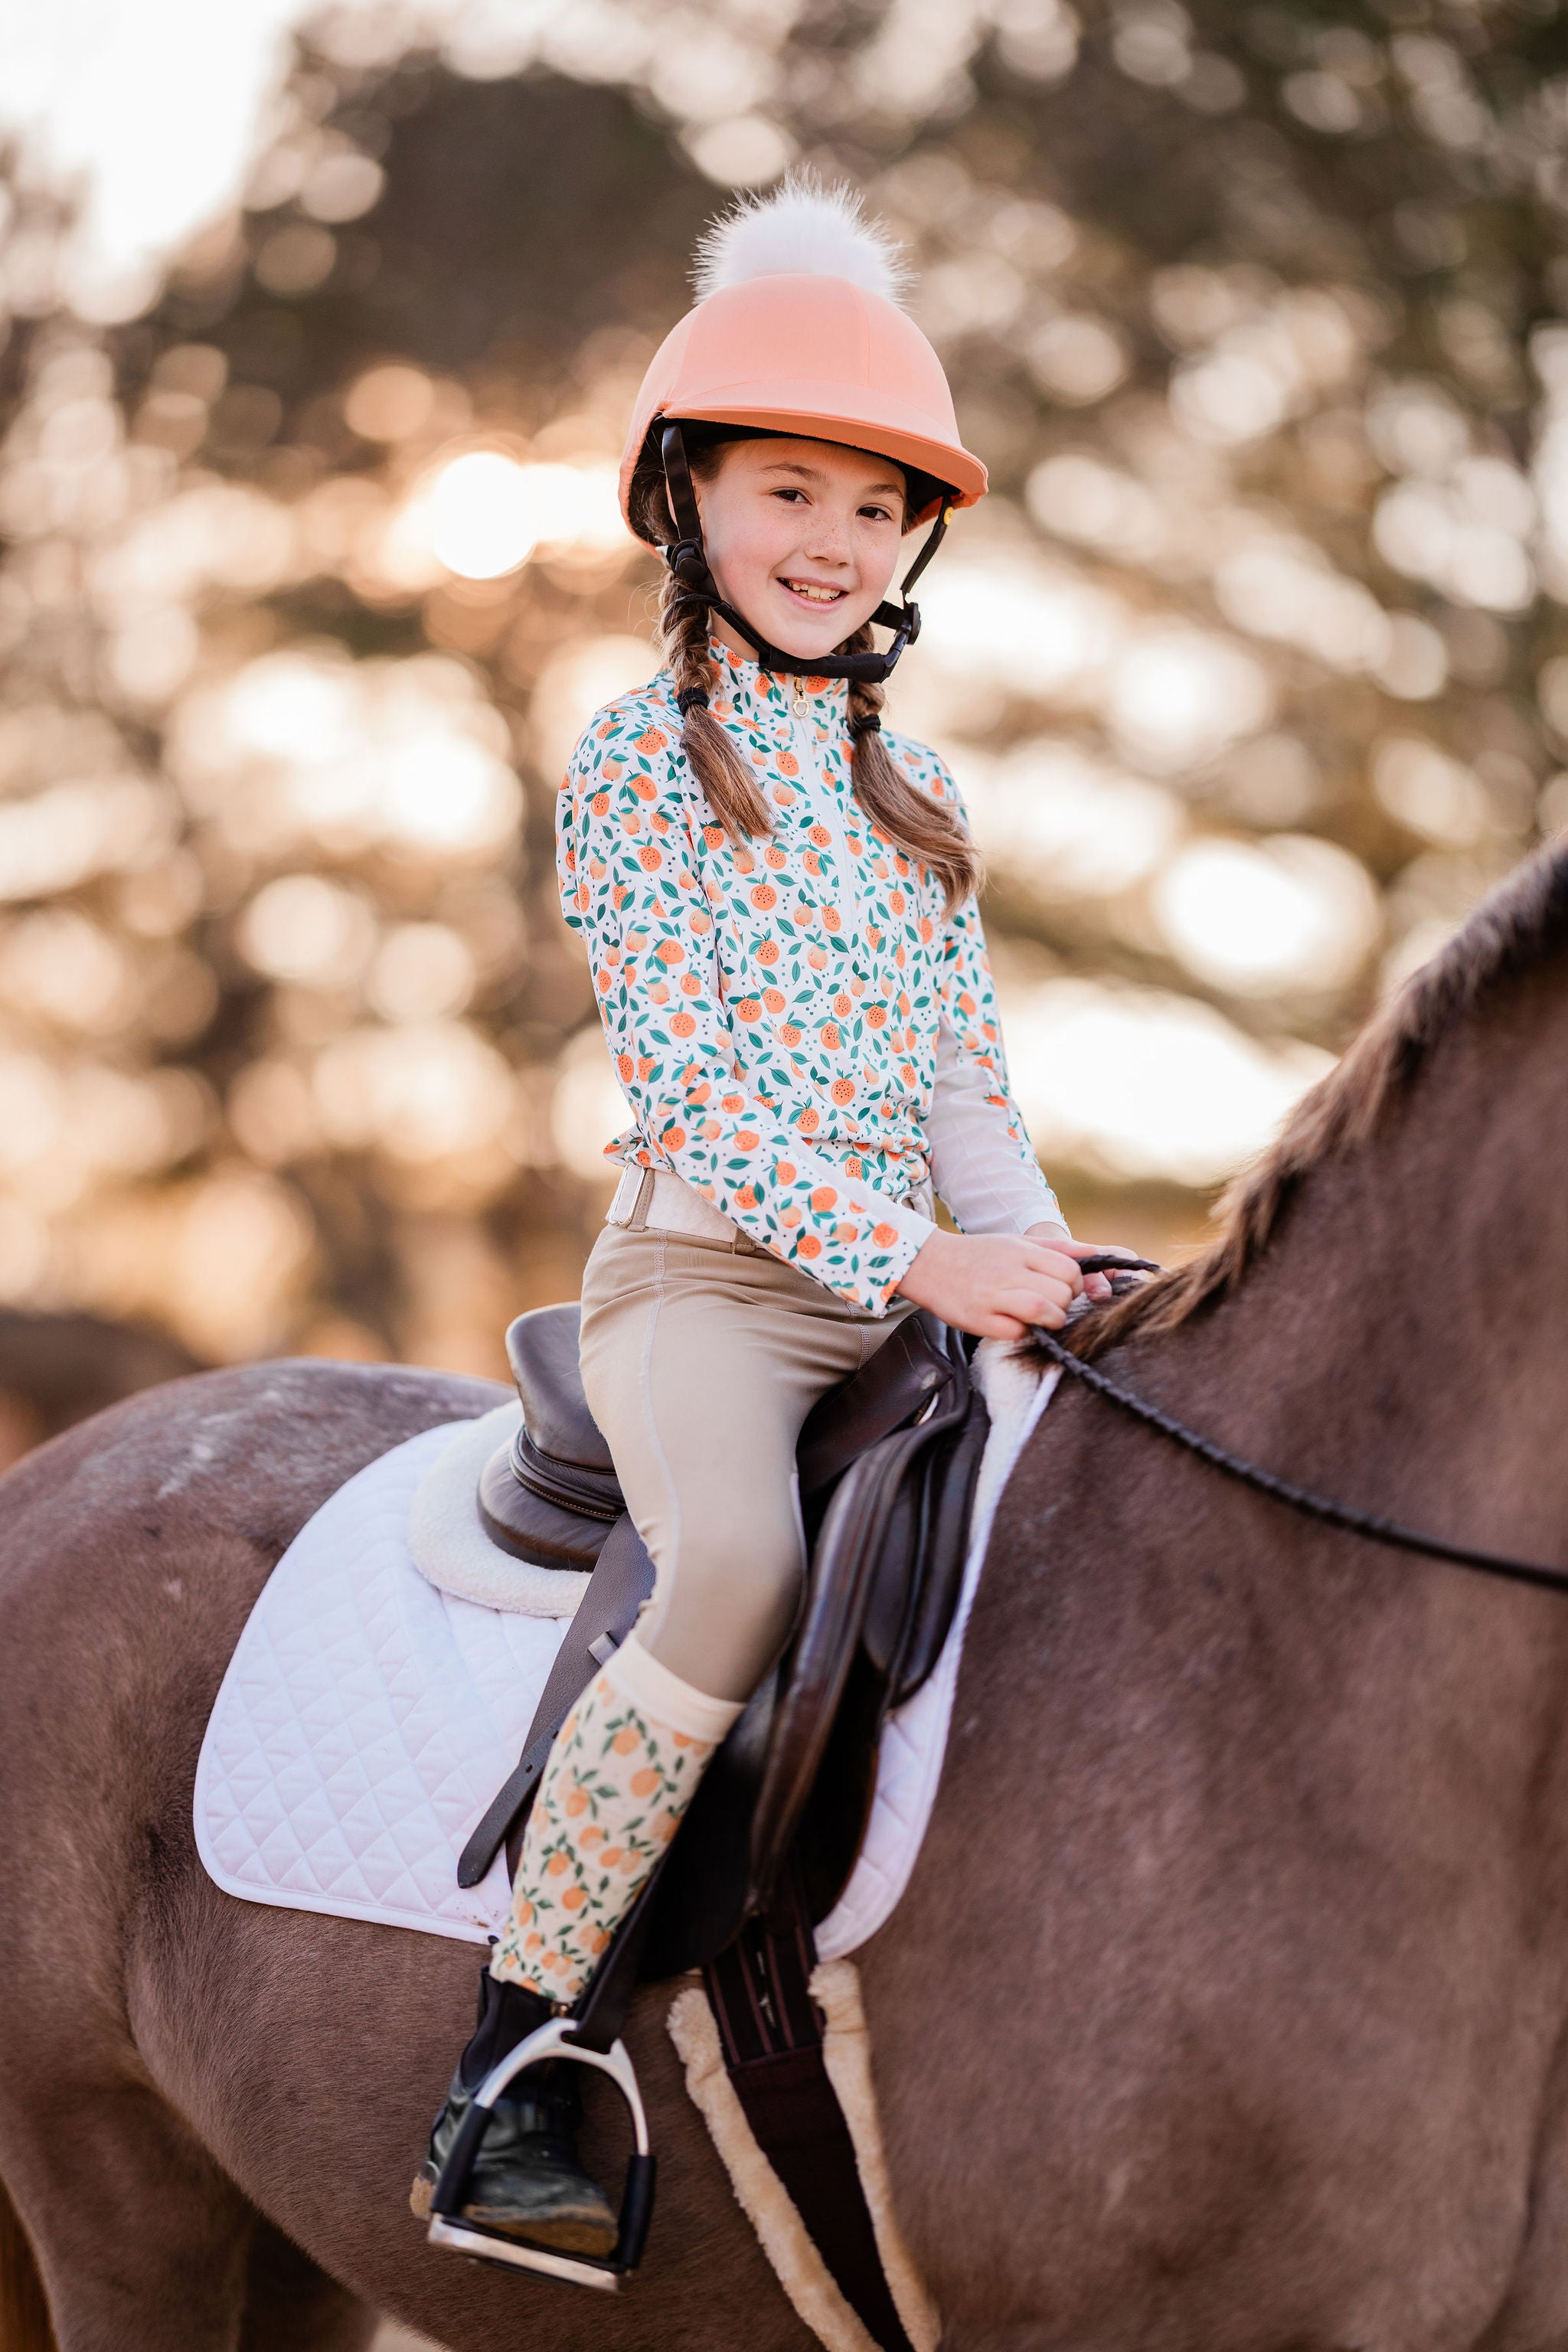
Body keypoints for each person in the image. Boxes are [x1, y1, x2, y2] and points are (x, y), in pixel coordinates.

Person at [415, 172, 1121, 2253]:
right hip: (711, 1291)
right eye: (788, 490)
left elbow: (964, 1093)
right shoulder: (641, 769)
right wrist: (926, 1261)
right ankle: (516, 2059)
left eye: (875, 509)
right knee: (731, 1561)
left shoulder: (924, 806)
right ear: (687, 505)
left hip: (915, 1279)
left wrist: (1045, 1265)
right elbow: (708, 1110)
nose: (831, 541)